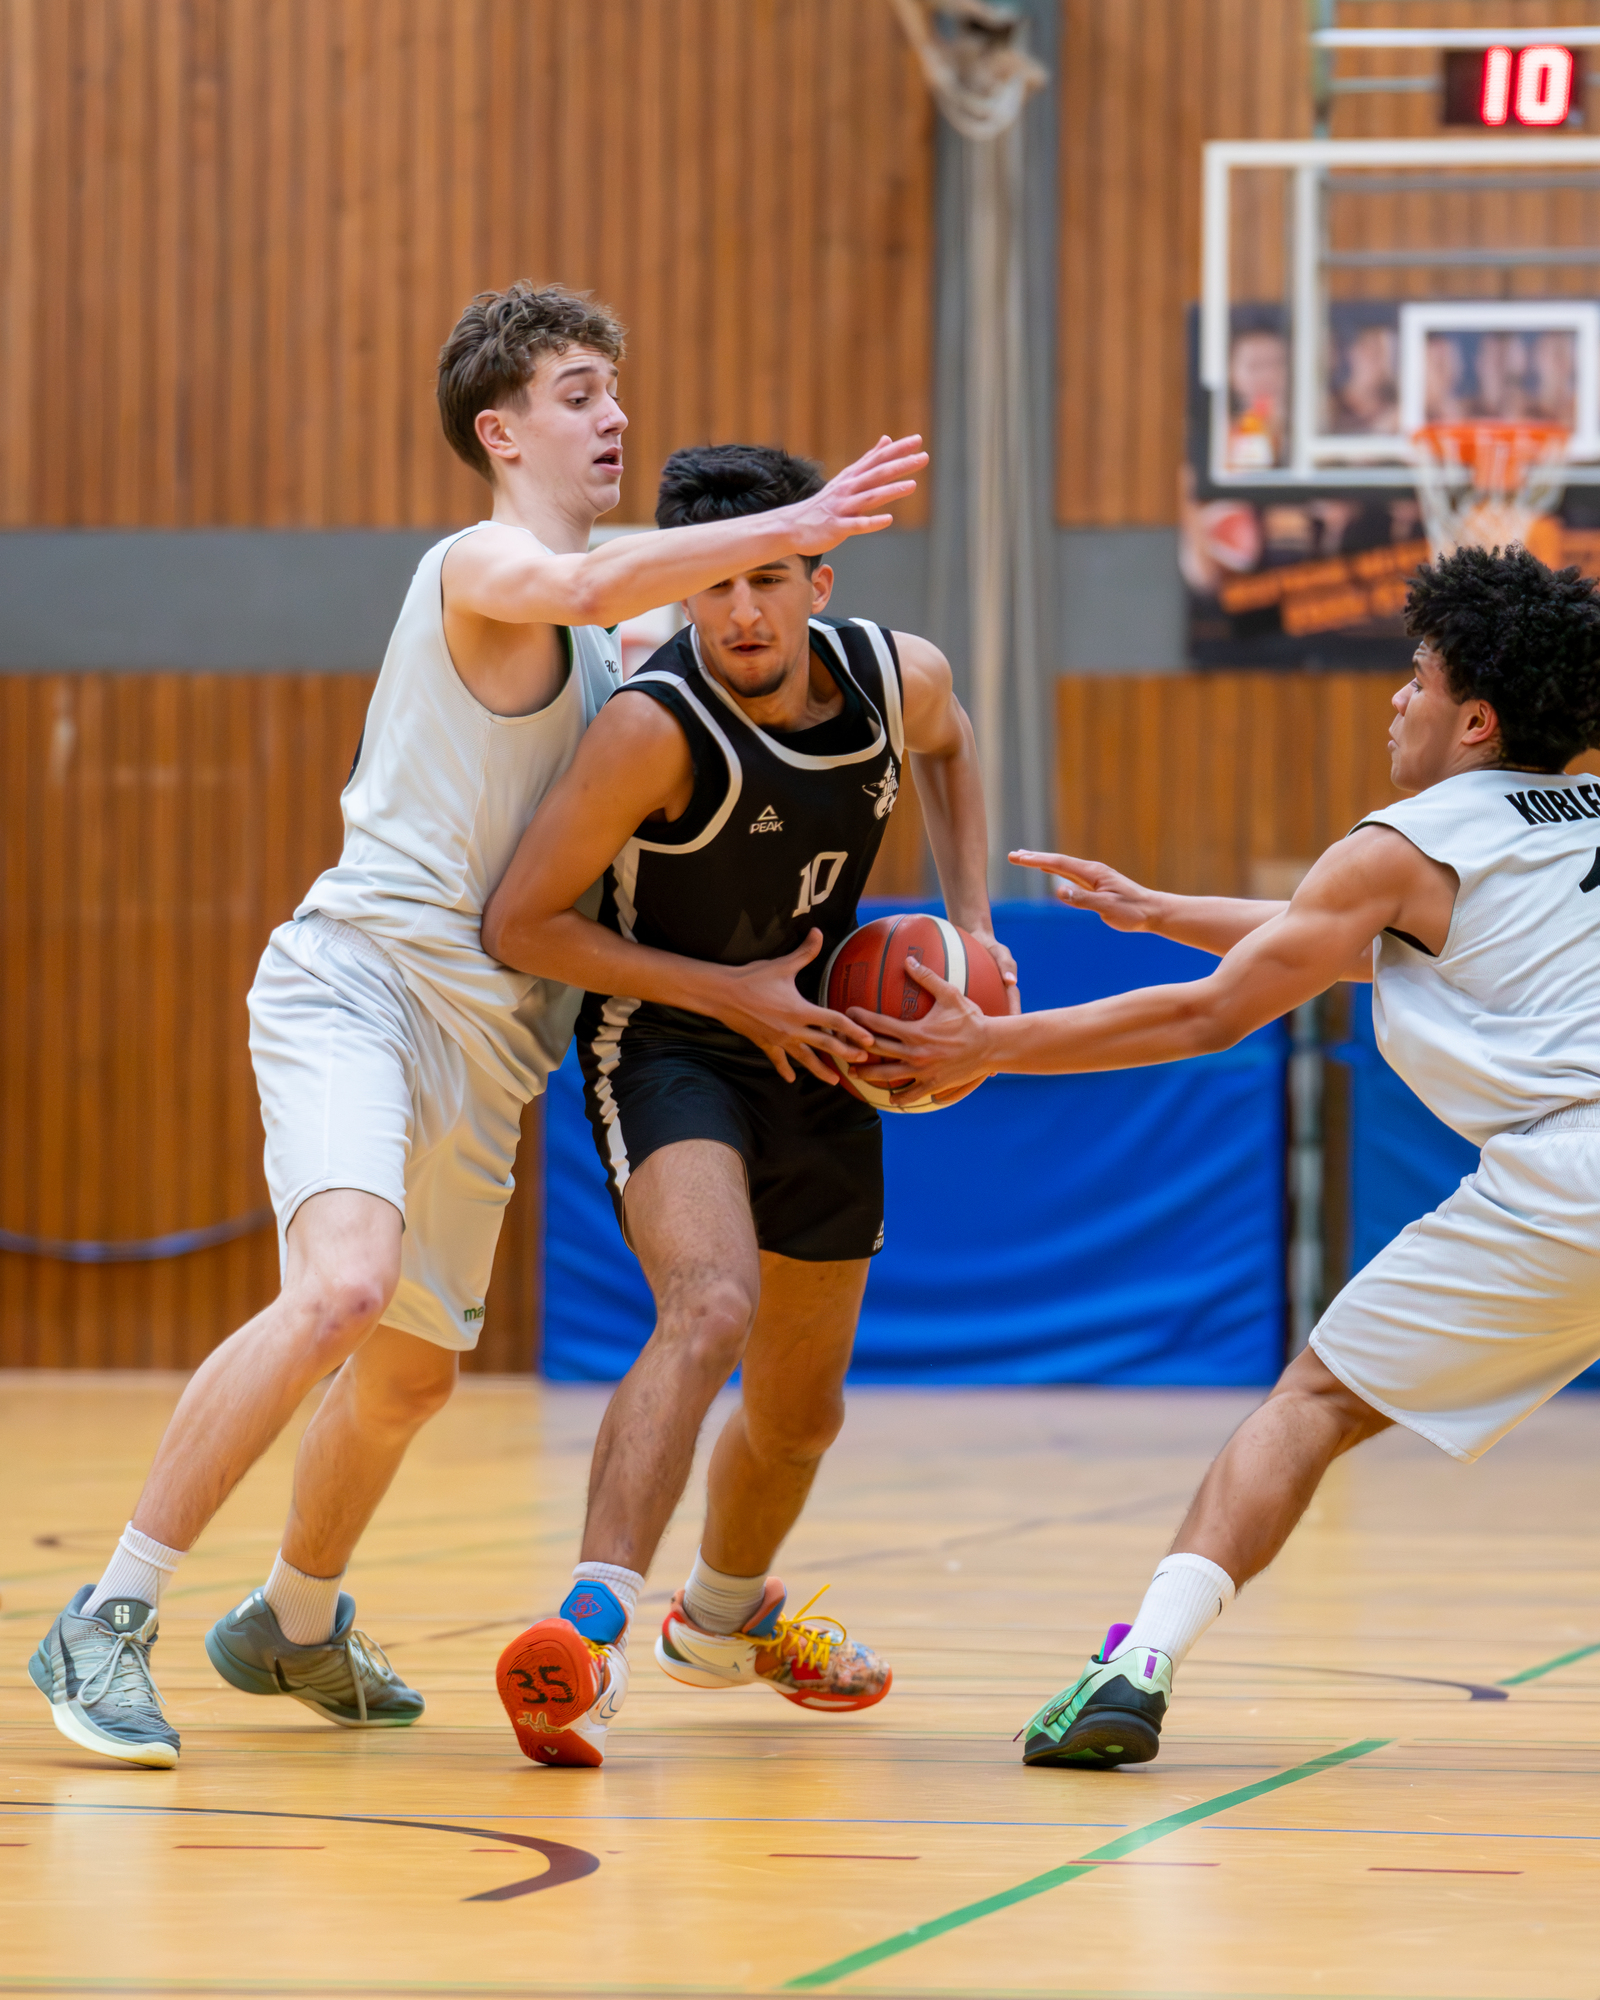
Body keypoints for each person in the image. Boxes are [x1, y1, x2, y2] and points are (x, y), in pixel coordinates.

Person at [28, 283, 926, 1769]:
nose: (613, 416)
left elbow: (726, 629)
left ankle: (291, 1622)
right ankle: (106, 1616)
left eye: (615, 389)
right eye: (579, 394)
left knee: (411, 1372)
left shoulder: (616, 637)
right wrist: (801, 515)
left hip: (494, 1042)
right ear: (501, 432)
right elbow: (591, 582)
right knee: (341, 1289)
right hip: (365, 984)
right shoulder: (485, 565)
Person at [852, 544, 1600, 1769]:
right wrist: (1157, 910)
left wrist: (989, 1042)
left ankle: (1134, 1665)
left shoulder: (1402, 842)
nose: (1395, 698)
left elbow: (1210, 1015)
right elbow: (1368, 941)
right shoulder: (1569, 827)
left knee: (1311, 1402)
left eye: (1416, 676)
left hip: (1567, 1175)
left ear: (1474, 720)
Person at [479, 442, 1015, 1767]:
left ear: (818, 581)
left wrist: (972, 926)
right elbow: (522, 923)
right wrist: (736, 996)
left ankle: (720, 1621)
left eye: (769, 579)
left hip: (817, 1043)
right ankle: (587, 1634)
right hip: (668, 1040)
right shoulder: (651, 730)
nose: (743, 612)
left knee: (802, 1410)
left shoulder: (899, 677)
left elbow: (952, 747)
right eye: (716, 583)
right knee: (710, 1301)